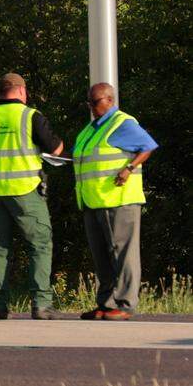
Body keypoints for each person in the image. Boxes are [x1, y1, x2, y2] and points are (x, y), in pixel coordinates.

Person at [0, 73, 65, 320]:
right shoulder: (30, 116)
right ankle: (41, 304)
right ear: (22, 91)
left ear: (0, 92)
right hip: (26, 190)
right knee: (40, 244)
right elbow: (55, 149)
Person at [74, 83, 158, 321]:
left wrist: (129, 168)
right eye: (89, 102)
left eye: (96, 101)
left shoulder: (122, 123)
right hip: (93, 201)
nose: (92, 107)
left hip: (119, 200)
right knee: (102, 256)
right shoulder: (91, 129)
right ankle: (106, 302)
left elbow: (148, 145)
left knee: (123, 254)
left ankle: (125, 303)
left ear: (110, 100)